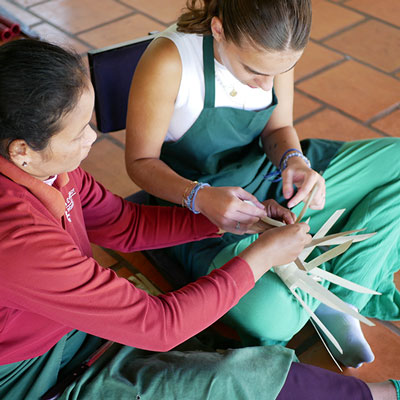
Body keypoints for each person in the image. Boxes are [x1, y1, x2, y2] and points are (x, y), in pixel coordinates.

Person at [0, 39, 398, 400]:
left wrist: (226, 220)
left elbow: (124, 223)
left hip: (76, 327)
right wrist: (258, 257)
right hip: (31, 375)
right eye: (76, 134)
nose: (92, 138)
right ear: (22, 151)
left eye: (89, 123)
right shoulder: (17, 240)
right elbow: (160, 325)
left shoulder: (50, 171)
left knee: (230, 367)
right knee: (238, 377)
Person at [125, 0, 400, 369]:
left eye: (282, 70)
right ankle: (320, 275)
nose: (266, 83)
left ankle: (336, 302)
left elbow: (278, 128)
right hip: (204, 212)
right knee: (271, 319)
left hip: (269, 182)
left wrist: (294, 160)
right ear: (220, 30)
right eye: (254, 71)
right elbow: (140, 164)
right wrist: (199, 196)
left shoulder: (274, 48)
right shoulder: (170, 60)